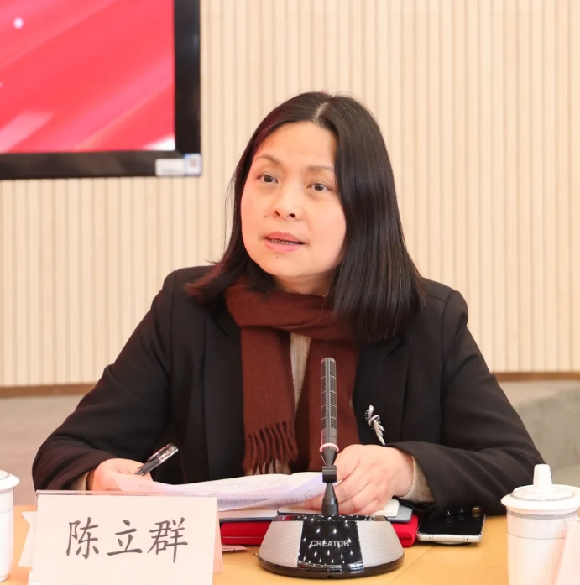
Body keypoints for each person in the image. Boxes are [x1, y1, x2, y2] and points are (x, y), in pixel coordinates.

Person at [33, 91, 542, 519]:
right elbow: (63, 454)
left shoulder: (428, 319)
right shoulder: (187, 311)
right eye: (267, 179)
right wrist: (98, 478)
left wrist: (404, 470)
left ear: (366, 209)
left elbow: (519, 468)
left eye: (318, 186)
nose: (283, 206)